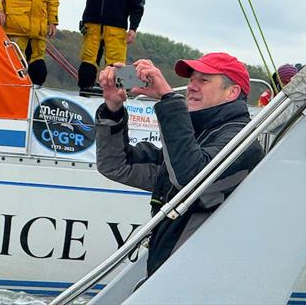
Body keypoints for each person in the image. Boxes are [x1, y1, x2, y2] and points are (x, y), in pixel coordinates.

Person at [94, 52, 263, 277]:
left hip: (196, 281)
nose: (192, 87)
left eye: (203, 80)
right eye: (191, 80)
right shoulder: (200, 136)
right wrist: (112, 109)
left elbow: (190, 178)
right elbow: (117, 166)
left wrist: (169, 100)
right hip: (173, 276)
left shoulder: (243, 142)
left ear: (232, 92)